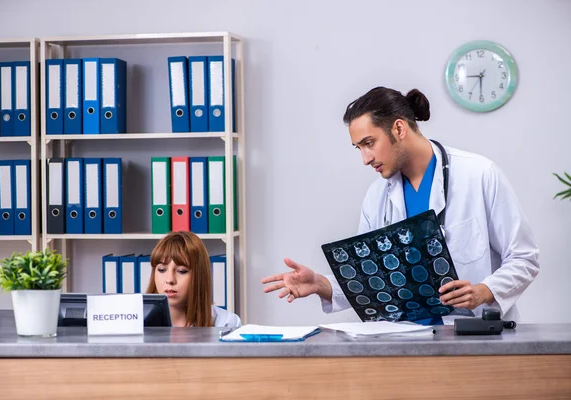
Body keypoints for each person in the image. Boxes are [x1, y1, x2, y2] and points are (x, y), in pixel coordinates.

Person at [262, 86, 539, 324]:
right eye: (359, 148)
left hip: (474, 336)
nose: (365, 158)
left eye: (369, 143)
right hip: (404, 340)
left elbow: (524, 258)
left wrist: (484, 291)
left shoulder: (479, 174)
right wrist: (320, 284)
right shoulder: (377, 196)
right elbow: (370, 278)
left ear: (398, 128)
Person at [146, 231, 241, 328]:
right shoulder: (135, 322)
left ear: (199, 276)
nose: (170, 280)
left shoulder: (227, 324)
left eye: (181, 271)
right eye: (162, 270)